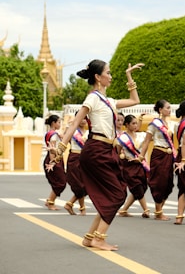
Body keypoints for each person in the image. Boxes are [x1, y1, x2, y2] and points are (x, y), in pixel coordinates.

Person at [46, 59, 144, 251]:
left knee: (112, 194)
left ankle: (91, 237)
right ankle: (99, 238)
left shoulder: (110, 102)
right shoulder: (93, 98)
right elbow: (74, 123)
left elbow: (135, 101)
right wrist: (61, 148)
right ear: (98, 77)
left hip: (107, 151)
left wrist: (129, 76)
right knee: (117, 193)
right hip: (96, 150)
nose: (110, 76)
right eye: (108, 72)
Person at [137, 99, 176, 220]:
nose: (169, 110)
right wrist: (142, 156)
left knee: (169, 183)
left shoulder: (171, 124)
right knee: (159, 182)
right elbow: (147, 141)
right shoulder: (154, 124)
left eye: (170, 108)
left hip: (169, 156)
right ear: (160, 109)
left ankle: (159, 210)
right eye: (167, 108)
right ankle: (159, 212)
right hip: (159, 154)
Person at [116, 114, 150, 218]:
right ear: (127, 125)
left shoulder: (141, 135)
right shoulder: (122, 138)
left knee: (142, 187)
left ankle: (124, 210)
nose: (136, 125)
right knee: (137, 186)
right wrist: (123, 157)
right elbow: (117, 153)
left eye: (136, 123)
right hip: (129, 166)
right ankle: (146, 209)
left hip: (140, 165)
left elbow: (148, 141)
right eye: (133, 123)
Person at [64, 112, 88, 215]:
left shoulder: (88, 132)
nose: (83, 120)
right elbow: (65, 140)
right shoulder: (72, 130)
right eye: (81, 118)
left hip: (85, 159)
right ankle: (82, 208)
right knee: (79, 184)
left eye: (85, 118)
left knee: (86, 184)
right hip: (74, 157)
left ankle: (70, 204)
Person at [43, 115, 66, 210]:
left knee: (58, 182)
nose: (60, 124)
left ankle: (50, 201)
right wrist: (53, 162)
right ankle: (51, 202)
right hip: (54, 159)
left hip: (56, 159)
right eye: (59, 122)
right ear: (53, 123)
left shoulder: (52, 133)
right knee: (61, 182)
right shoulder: (53, 135)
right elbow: (52, 150)